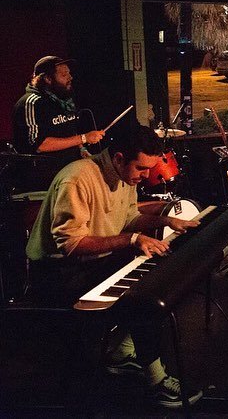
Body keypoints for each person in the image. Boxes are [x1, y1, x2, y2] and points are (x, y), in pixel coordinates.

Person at [24, 123, 202, 408]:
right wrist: (132, 239)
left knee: (153, 281)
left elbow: (129, 217)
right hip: (58, 274)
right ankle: (155, 380)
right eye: (141, 169)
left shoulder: (123, 176)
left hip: (92, 263)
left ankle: (119, 353)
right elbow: (71, 246)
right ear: (119, 158)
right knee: (141, 299)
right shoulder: (77, 178)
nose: (146, 177)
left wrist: (165, 220)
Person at [12, 56, 105, 190]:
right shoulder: (31, 103)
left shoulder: (63, 100)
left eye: (69, 73)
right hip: (43, 179)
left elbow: (68, 130)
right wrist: (84, 138)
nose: (70, 77)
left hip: (69, 172)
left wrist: (81, 149)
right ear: (48, 79)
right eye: (64, 75)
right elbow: (39, 144)